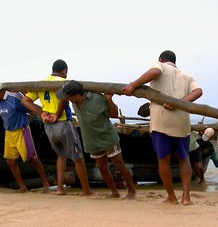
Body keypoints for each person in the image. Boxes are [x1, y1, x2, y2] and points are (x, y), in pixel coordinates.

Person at [123, 50, 203, 205]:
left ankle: (171, 197)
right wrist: (181, 102)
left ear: (161, 59)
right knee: (184, 158)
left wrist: (133, 84)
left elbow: (155, 71)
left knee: (163, 161)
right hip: (182, 123)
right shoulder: (186, 76)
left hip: (161, 122)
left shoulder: (160, 66)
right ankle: (186, 198)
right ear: (175, 62)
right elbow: (198, 91)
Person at [21, 59, 93, 196]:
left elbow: (25, 100)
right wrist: (57, 114)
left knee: (61, 155)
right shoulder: (63, 82)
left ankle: (60, 189)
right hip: (63, 122)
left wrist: (41, 113)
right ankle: (86, 191)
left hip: (48, 126)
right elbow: (63, 98)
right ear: (64, 71)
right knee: (78, 157)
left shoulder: (41, 83)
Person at [56, 80, 136, 199]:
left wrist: (109, 99)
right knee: (102, 168)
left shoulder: (98, 99)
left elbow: (113, 115)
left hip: (107, 137)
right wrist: (56, 115)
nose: (65, 99)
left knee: (119, 164)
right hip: (91, 140)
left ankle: (131, 190)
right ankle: (114, 192)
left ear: (75, 95)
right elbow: (63, 101)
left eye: (67, 96)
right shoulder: (73, 102)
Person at [0, 89, 50, 193]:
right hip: (8, 132)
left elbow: (29, 107)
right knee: (10, 161)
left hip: (22, 130)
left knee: (33, 158)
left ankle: (45, 183)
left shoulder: (14, 97)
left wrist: (42, 114)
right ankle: (22, 186)